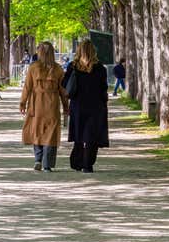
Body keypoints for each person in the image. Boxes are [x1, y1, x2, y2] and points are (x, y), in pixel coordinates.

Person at [20, 41, 68, 172]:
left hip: (37, 103)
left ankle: (38, 160)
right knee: (51, 133)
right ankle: (47, 164)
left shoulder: (33, 67)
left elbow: (27, 87)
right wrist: (66, 107)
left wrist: (23, 103)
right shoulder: (58, 69)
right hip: (52, 103)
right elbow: (63, 91)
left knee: (37, 130)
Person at [63, 40, 109, 173]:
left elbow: (64, 83)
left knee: (79, 135)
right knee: (92, 136)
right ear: (93, 51)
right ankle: (88, 164)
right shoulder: (100, 68)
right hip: (96, 106)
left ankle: (77, 162)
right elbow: (104, 87)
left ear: (79, 51)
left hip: (78, 105)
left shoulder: (73, 66)